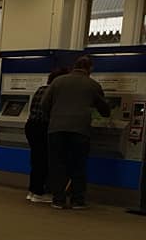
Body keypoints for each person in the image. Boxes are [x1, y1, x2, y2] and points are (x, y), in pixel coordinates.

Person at [40, 56, 110, 210]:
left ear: (74, 66)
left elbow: (44, 104)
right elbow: (104, 110)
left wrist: (53, 117)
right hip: (80, 130)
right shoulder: (93, 85)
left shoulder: (58, 81)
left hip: (56, 129)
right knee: (78, 164)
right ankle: (77, 200)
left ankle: (58, 199)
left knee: (57, 164)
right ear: (90, 68)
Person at [25, 68, 69, 203]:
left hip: (31, 125)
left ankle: (32, 191)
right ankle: (39, 192)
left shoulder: (40, 89)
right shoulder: (55, 92)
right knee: (44, 161)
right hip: (44, 127)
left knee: (36, 159)